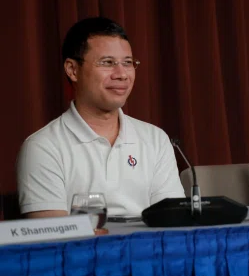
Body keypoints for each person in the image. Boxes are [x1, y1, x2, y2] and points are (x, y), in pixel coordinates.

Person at [16, 17, 185, 218]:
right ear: (72, 70)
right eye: (107, 63)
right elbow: (54, 241)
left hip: (150, 249)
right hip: (82, 249)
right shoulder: (43, 147)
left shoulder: (155, 139)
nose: (122, 74)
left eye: (128, 63)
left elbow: (175, 224)